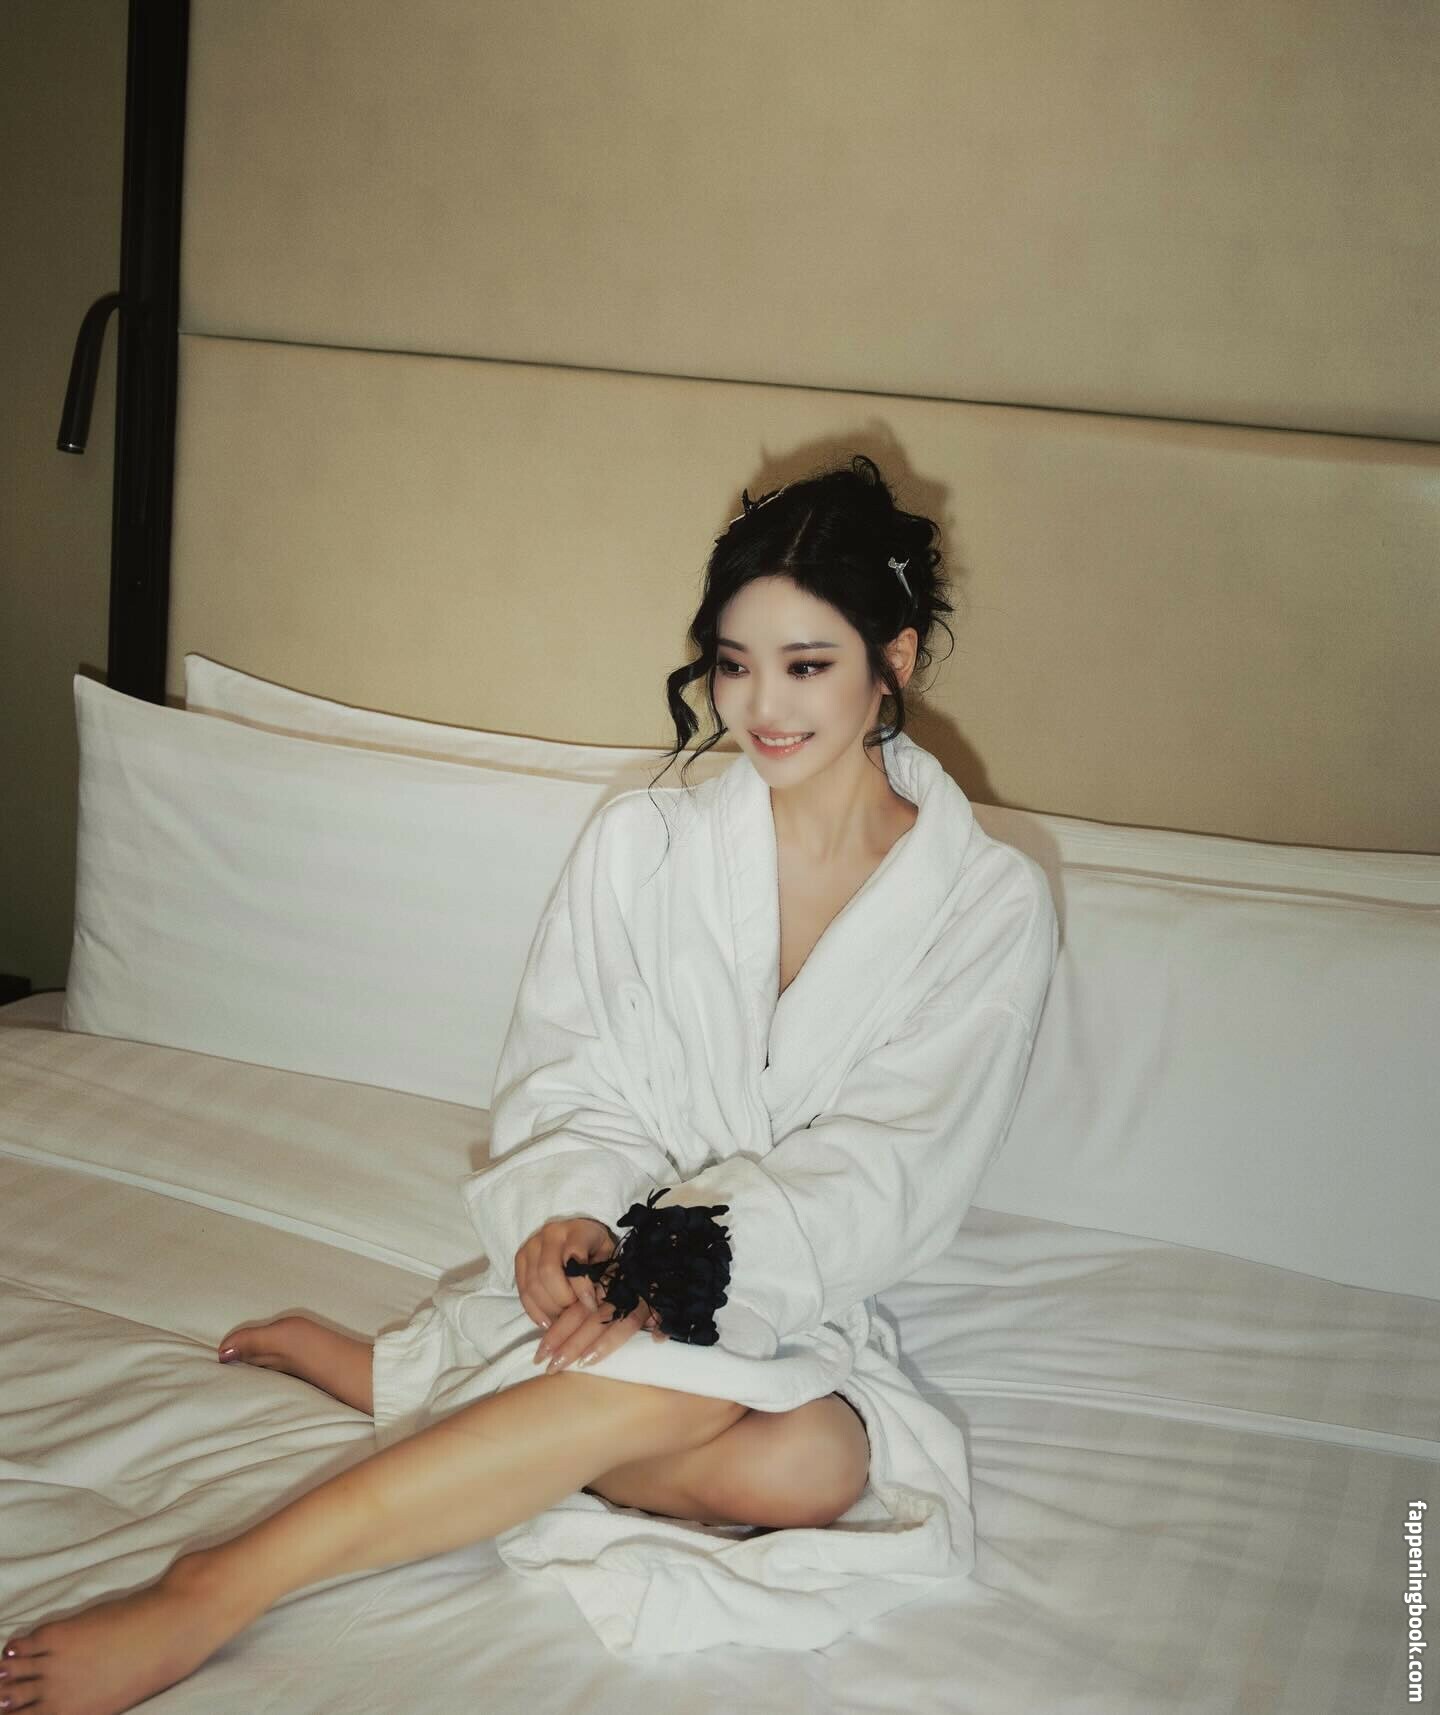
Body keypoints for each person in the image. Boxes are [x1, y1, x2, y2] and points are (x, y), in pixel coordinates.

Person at [0, 454, 1057, 1701]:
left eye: (807, 664)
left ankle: (449, 1394)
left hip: (796, 1272)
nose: (761, 706)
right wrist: (576, 1219)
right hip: (606, 1261)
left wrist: (682, 1276)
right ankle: (219, 1582)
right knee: (766, 1438)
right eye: (734, 662)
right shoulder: (641, 847)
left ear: (896, 659)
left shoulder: (986, 904)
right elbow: (570, 1076)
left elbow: (896, 1162)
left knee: (814, 1467)